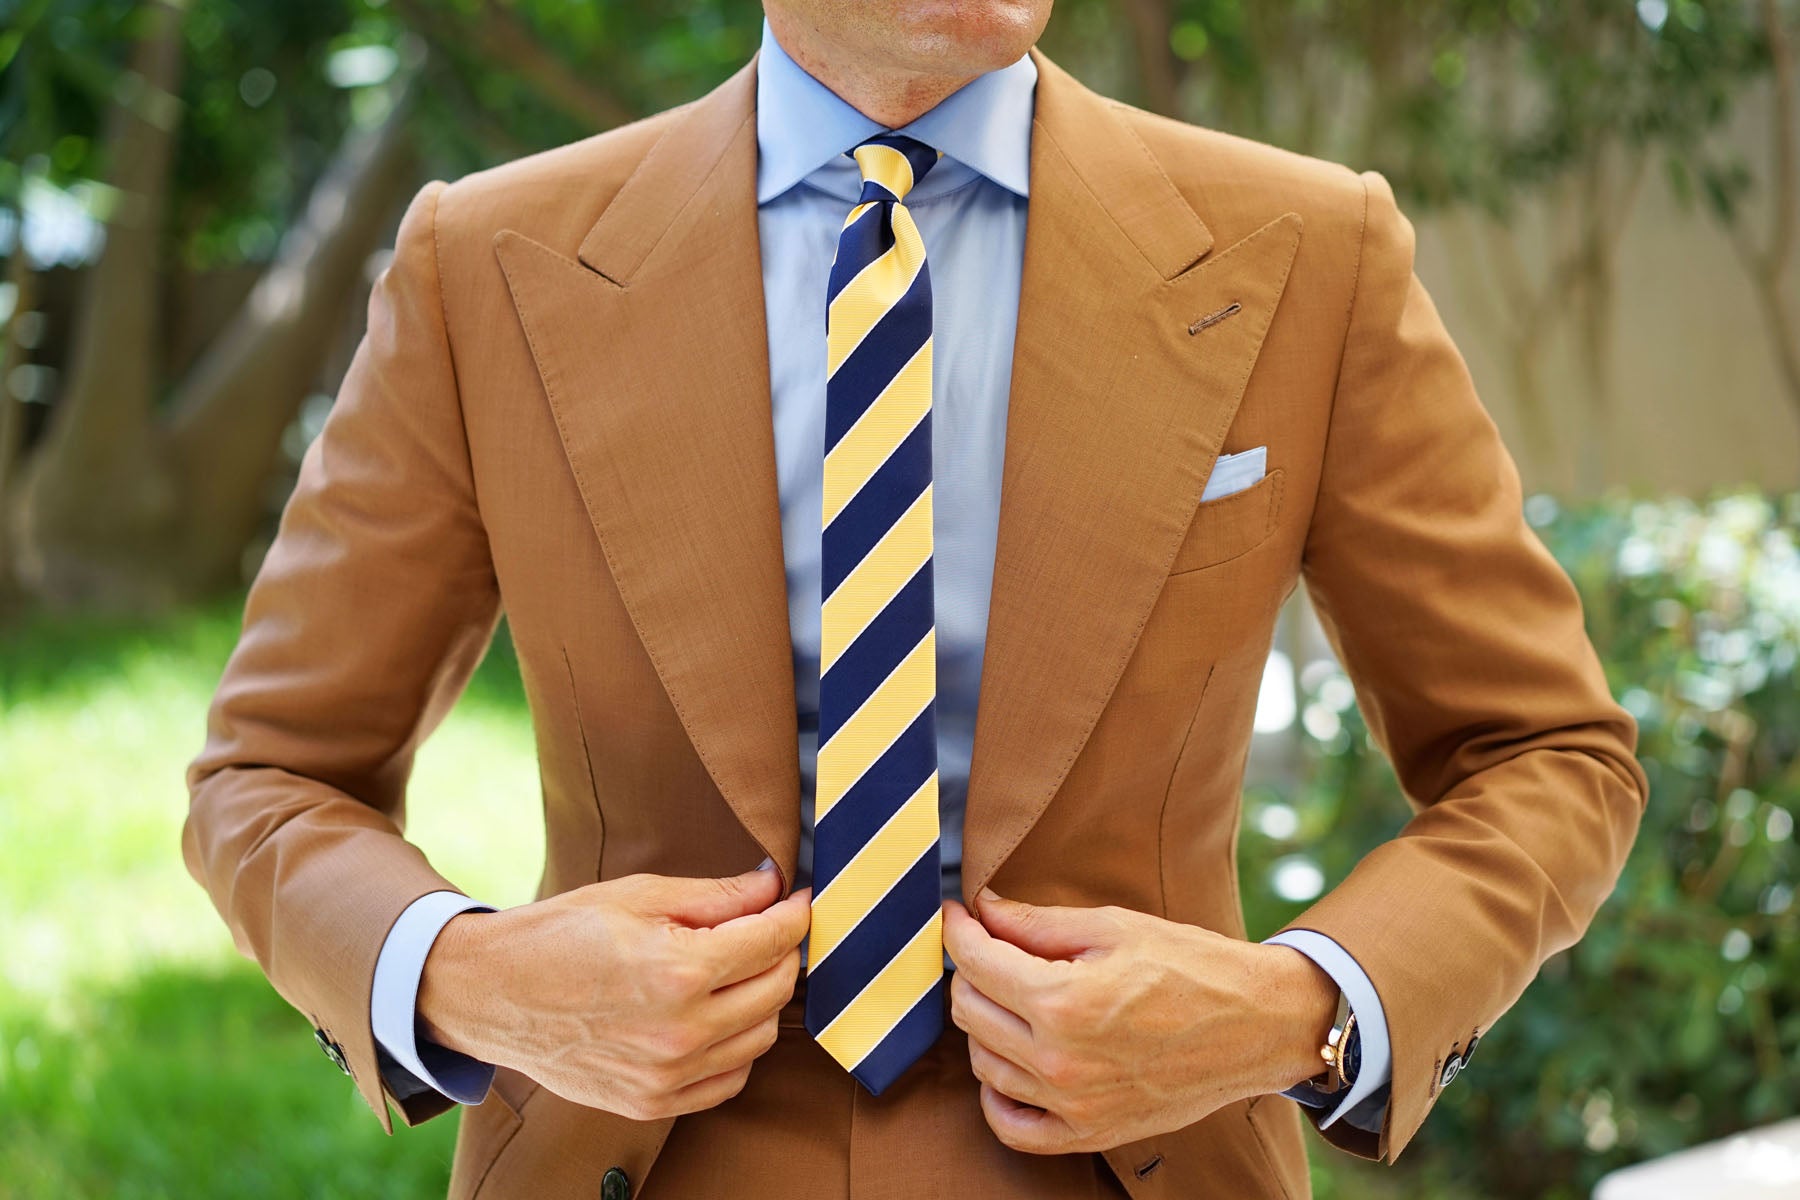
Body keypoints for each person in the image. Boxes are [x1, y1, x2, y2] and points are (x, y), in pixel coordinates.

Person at [181, 2, 1649, 1197]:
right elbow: (268, 780)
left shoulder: (1310, 255)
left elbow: (1544, 758)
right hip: (626, 1163)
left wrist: (1294, 1009)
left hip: (1138, 1165)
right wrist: (471, 977)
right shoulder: (485, 265)